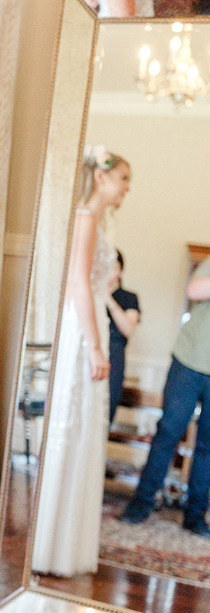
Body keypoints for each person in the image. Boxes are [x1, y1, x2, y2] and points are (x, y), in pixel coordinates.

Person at [31, 146, 130, 576]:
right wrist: (93, 346)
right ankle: (52, 544)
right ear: (101, 179)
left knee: (86, 426)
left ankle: (68, 544)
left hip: (92, 328)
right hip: (84, 331)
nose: (128, 188)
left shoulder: (95, 221)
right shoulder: (86, 219)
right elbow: (77, 284)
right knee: (73, 423)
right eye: (124, 179)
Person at [121, 257, 210, 537]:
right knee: (168, 433)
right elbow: (194, 290)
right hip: (188, 361)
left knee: (208, 447)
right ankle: (142, 502)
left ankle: (195, 515)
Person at [106, 250, 141, 424]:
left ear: (120, 270)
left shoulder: (129, 298)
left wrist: (107, 299)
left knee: (108, 405)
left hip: (115, 355)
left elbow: (128, 329)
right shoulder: (90, 293)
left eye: (114, 267)